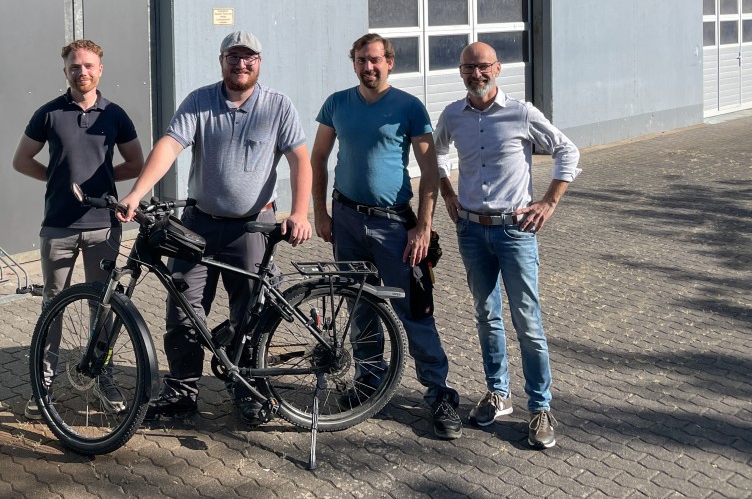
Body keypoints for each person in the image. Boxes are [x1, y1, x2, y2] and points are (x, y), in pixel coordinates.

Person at [116, 31, 312, 424]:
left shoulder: (277, 106)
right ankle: (181, 394)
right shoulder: (200, 101)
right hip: (199, 227)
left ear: (259, 62)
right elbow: (170, 146)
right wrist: (137, 192)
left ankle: (248, 391)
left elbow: (300, 160)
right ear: (222, 60)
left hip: (253, 228)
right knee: (183, 311)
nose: (241, 64)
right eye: (233, 57)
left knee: (250, 314)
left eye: (249, 57)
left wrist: (300, 212)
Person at [310, 33, 463, 440]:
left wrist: (423, 226)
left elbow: (429, 171)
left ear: (390, 62)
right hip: (346, 220)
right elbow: (318, 158)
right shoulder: (337, 104)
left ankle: (439, 393)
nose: (368, 67)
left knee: (414, 309)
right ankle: (369, 382)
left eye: (375, 59)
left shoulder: (409, 107)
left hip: (394, 227)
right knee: (359, 306)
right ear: (354, 63)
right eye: (361, 60)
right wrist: (320, 212)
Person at [433, 41, 580, 450]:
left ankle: (540, 407)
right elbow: (436, 152)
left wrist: (548, 202)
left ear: (498, 69)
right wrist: (447, 192)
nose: (475, 74)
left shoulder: (522, 113)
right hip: (471, 230)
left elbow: (567, 150)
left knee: (528, 322)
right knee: (486, 315)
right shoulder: (453, 115)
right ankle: (498, 393)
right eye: (468, 68)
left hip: (515, 231)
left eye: (483, 67)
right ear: (461, 72)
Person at [13, 38, 144, 419]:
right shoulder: (49, 113)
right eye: (74, 66)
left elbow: (136, 163)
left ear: (100, 70)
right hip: (58, 227)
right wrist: (56, 178)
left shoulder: (114, 115)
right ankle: (43, 386)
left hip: (104, 226)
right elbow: (22, 160)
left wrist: (102, 182)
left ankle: (102, 377)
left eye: (88, 66)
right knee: (52, 305)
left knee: (102, 306)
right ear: (65, 71)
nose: (81, 72)